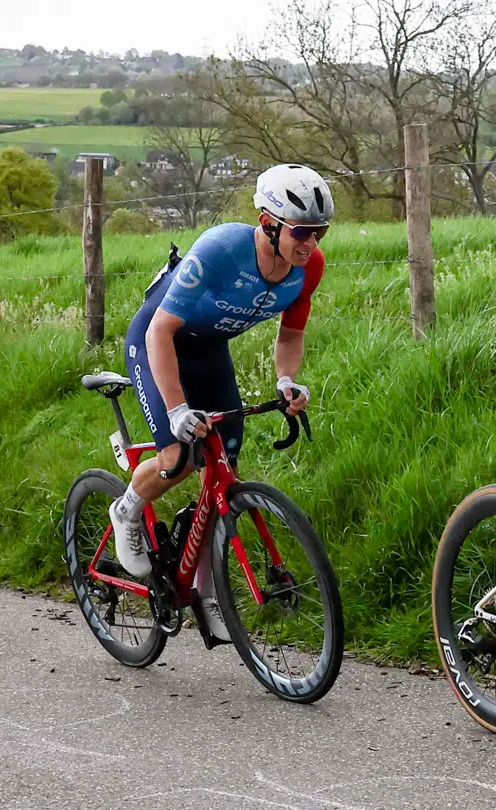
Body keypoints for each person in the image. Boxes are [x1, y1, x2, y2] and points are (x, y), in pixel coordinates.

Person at [108, 163, 332, 647]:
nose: (311, 243)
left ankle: (208, 595)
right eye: (301, 231)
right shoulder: (220, 250)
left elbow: (291, 333)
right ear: (267, 222)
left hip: (209, 350)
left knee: (223, 470)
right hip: (158, 341)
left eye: (320, 231)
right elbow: (159, 330)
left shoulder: (308, 267)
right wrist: (176, 411)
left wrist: (287, 380)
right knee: (179, 457)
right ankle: (126, 510)